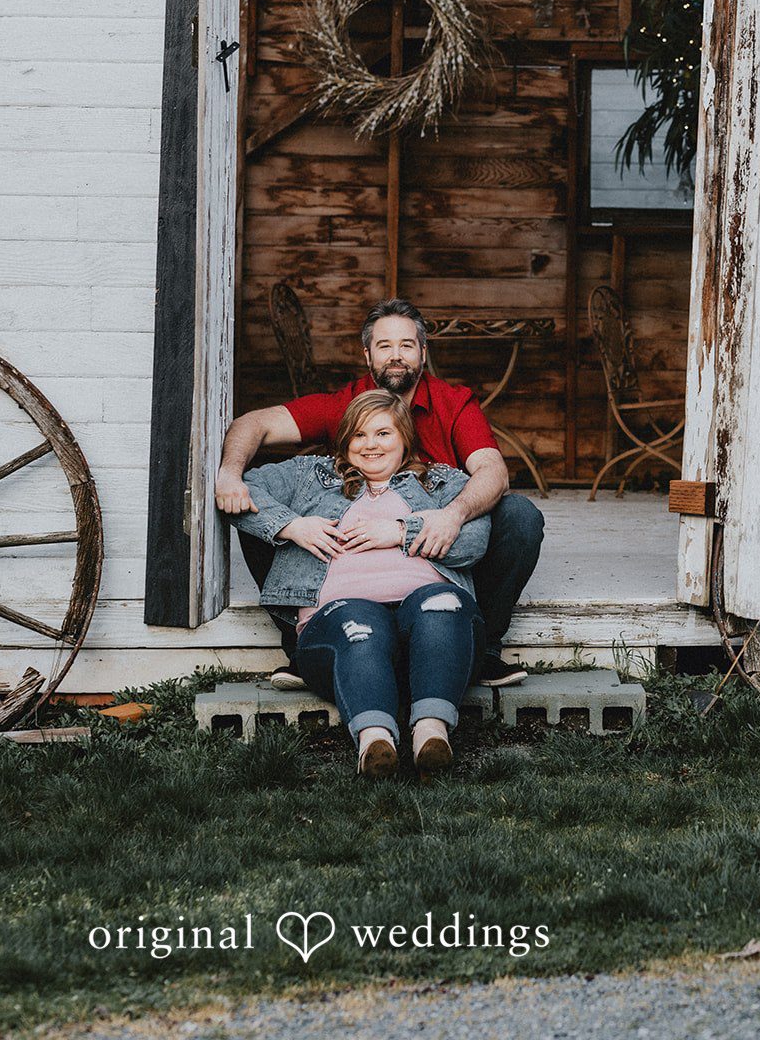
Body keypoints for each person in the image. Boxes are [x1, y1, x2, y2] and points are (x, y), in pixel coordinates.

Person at [215, 297, 544, 689]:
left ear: (423, 352)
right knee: (259, 512)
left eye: (407, 345)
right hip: (348, 560)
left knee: (520, 516)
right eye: (385, 346)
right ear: (368, 354)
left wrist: (450, 516)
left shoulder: (453, 402)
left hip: (434, 551)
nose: (396, 356)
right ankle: (303, 647)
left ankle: (482, 647)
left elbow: (492, 471)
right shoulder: (348, 404)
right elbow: (254, 424)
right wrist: (231, 475)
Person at [232, 388, 488, 775]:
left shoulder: (439, 483)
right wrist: (291, 525)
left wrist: (403, 531)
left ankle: (431, 735)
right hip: (340, 616)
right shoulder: (312, 477)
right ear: (345, 440)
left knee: (441, 604)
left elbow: (475, 535)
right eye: (359, 435)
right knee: (360, 624)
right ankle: (375, 741)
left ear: (405, 437)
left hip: (429, 628)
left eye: (384, 433)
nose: (371, 445)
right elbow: (242, 490)